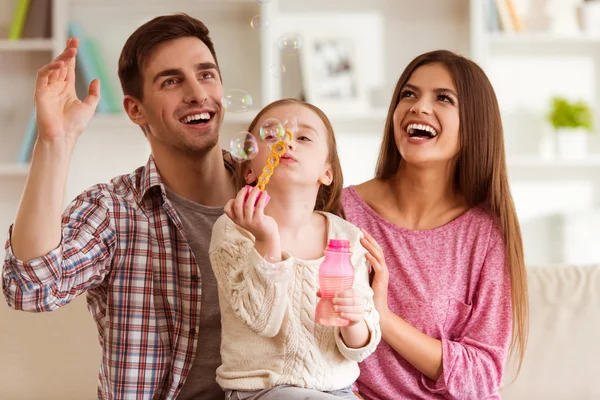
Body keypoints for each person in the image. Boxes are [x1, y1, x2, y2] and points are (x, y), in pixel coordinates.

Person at [2, 14, 237, 400]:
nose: (198, 93)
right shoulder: (114, 210)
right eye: (172, 81)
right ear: (135, 110)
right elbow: (31, 288)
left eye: (207, 74)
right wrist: (55, 141)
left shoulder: (274, 192)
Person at [342, 50, 529, 399]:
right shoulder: (343, 212)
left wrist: (383, 318)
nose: (418, 107)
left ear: (474, 123)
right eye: (408, 94)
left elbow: (482, 378)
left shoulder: (485, 235)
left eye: (443, 98)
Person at [208, 98, 382, 400]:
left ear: (326, 172)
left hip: (336, 391)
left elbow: (360, 348)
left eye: (303, 137)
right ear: (249, 170)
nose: (287, 142)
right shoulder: (233, 230)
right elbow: (262, 320)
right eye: (272, 136)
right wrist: (266, 242)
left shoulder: (346, 237)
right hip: (261, 391)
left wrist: (354, 321)